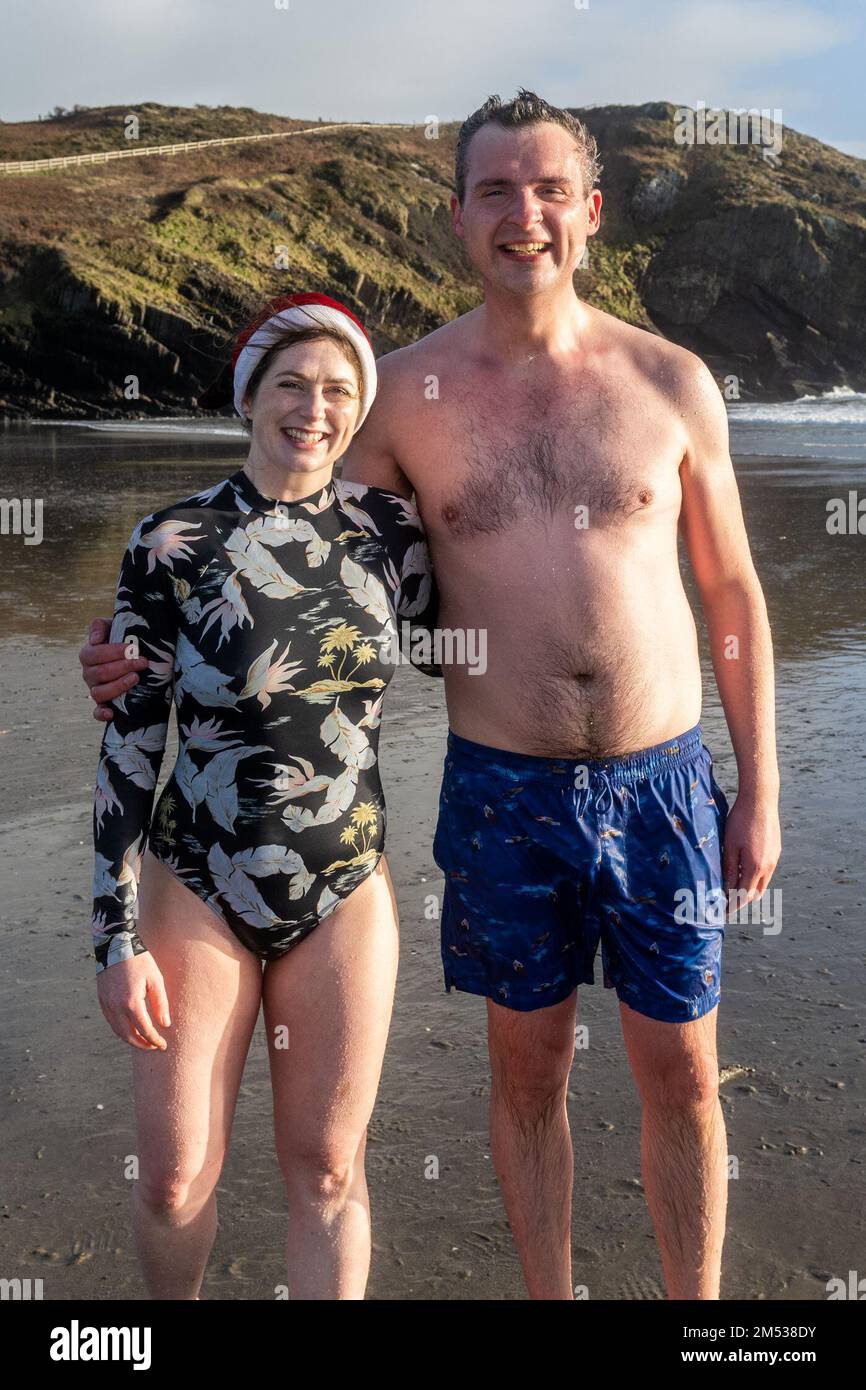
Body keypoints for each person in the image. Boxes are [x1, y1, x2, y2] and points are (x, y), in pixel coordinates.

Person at [83, 89, 783, 1302]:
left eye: (549, 188)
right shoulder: (399, 395)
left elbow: (731, 596)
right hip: (503, 786)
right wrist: (138, 629)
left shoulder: (671, 381)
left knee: (680, 1071)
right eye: (496, 191)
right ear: (456, 218)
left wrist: (758, 788)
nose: (525, 214)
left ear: (590, 211)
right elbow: (281, 509)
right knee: (529, 1076)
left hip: (664, 779)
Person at [82, 290, 438, 1300]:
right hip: (195, 876)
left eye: (336, 390)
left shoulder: (391, 535)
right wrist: (113, 935)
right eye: (290, 383)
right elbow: (130, 740)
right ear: (248, 397)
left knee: (327, 1168)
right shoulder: (171, 540)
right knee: (172, 1173)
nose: (312, 408)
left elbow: (480, 646)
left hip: (343, 882)